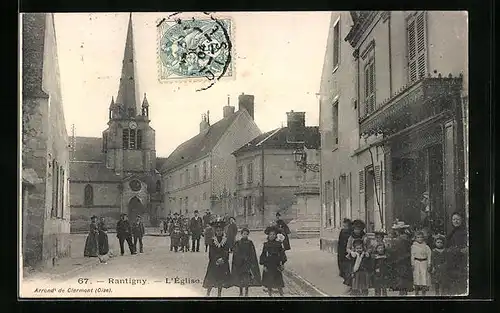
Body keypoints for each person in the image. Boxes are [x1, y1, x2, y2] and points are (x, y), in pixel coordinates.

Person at [203, 217, 231, 297]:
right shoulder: (212, 240)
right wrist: (216, 259)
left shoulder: (225, 240)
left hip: (223, 262)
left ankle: (219, 294)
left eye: (221, 231)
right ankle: (208, 293)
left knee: (220, 279)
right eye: (217, 231)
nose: (219, 232)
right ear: (215, 231)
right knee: (211, 278)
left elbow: (226, 251)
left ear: (223, 231)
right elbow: (211, 252)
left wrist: (223, 259)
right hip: (214, 262)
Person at [231, 228, 262, 296]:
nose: (245, 235)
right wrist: (241, 258)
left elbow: (252, 253)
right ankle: (241, 291)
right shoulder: (238, 243)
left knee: (247, 279)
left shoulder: (250, 243)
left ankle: (246, 292)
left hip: (247, 263)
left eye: (246, 234)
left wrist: (250, 260)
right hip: (240, 264)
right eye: (244, 234)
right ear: (241, 234)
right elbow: (236, 252)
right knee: (240, 278)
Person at [260, 225, 287, 297]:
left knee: (279, 282)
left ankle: (282, 295)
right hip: (268, 264)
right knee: (269, 283)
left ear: (276, 236)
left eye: (274, 234)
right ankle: (270, 295)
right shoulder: (266, 244)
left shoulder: (278, 244)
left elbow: (282, 254)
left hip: (276, 264)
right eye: (270, 234)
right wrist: (264, 265)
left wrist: (282, 263)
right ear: (268, 235)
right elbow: (263, 254)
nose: (272, 236)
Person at [444, 212, 468, 295]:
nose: (455, 221)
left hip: (460, 262)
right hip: (452, 262)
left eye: (458, 219)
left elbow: (464, 248)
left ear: (461, 220)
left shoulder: (464, 232)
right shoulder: (452, 231)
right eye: (454, 219)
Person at [388, 220, 413, 295]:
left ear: (398, 231)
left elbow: (393, 251)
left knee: (401, 280)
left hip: (400, 261)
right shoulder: (406, 238)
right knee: (404, 280)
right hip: (405, 261)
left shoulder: (399, 240)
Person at [411, 230, 432, 295]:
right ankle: (416, 293)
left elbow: (429, 255)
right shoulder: (413, 246)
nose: (420, 239)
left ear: (423, 238)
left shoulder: (426, 247)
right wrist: (412, 264)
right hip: (416, 262)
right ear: (415, 238)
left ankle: (423, 293)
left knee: (424, 277)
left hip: (424, 262)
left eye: (421, 237)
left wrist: (429, 264)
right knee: (416, 277)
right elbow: (412, 255)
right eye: (418, 237)